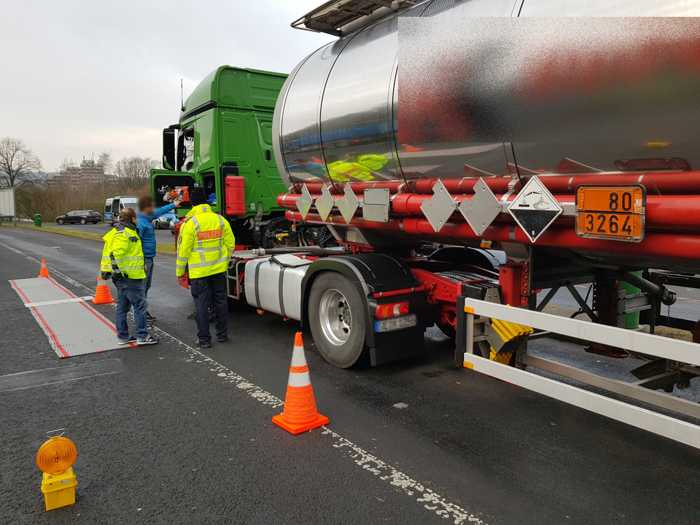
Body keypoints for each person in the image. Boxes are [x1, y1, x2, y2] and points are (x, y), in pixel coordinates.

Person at [176, 187, 235, 348]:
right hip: (218, 270)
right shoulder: (220, 220)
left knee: (201, 306)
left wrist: (180, 272)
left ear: (192, 203)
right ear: (207, 202)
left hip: (199, 273)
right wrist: (225, 259)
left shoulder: (190, 224)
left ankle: (204, 340)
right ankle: (222, 335)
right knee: (221, 303)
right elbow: (230, 244)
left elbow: (183, 252)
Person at [100, 208, 159, 346]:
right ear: (132, 218)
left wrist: (111, 271)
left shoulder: (117, 232)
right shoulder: (125, 234)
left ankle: (123, 336)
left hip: (124, 277)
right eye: (135, 217)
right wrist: (118, 271)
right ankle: (142, 336)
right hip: (130, 277)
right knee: (139, 306)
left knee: (123, 306)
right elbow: (115, 254)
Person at [136, 194, 181, 321]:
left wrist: (174, 205)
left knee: (146, 286)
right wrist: (141, 261)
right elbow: (135, 245)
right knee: (142, 287)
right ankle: (141, 313)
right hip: (144, 260)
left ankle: (142, 311)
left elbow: (159, 211)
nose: (153, 208)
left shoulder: (147, 216)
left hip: (149, 258)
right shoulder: (141, 222)